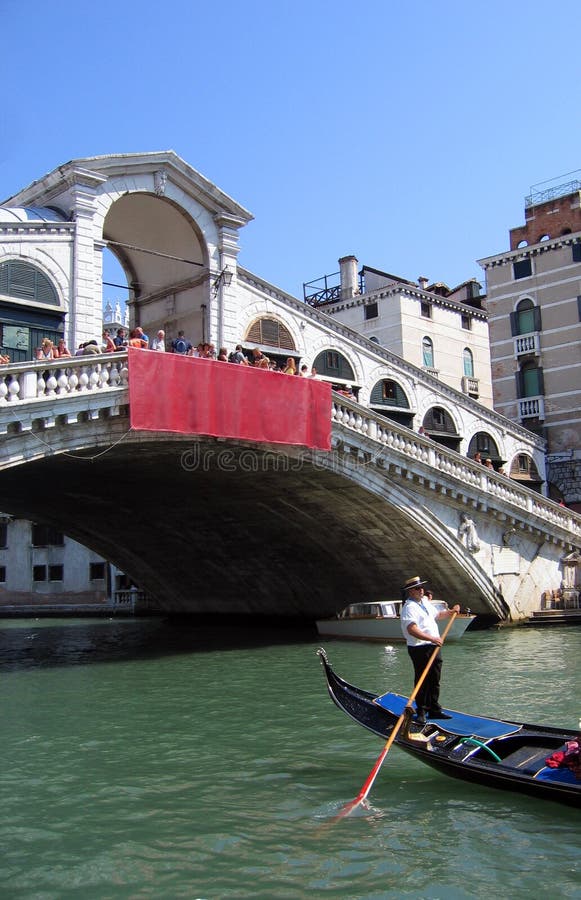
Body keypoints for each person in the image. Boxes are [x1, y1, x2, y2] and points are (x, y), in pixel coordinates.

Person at [400, 575, 460, 725]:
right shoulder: (409, 607)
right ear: (411, 591)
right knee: (423, 679)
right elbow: (412, 629)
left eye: (422, 588)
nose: (421, 590)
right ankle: (421, 711)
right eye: (417, 588)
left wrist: (451, 612)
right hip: (419, 647)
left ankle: (434, 709)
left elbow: (438, 615)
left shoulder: (425, 602)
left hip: (434, 645)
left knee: (434, 679)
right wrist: (431, 638)